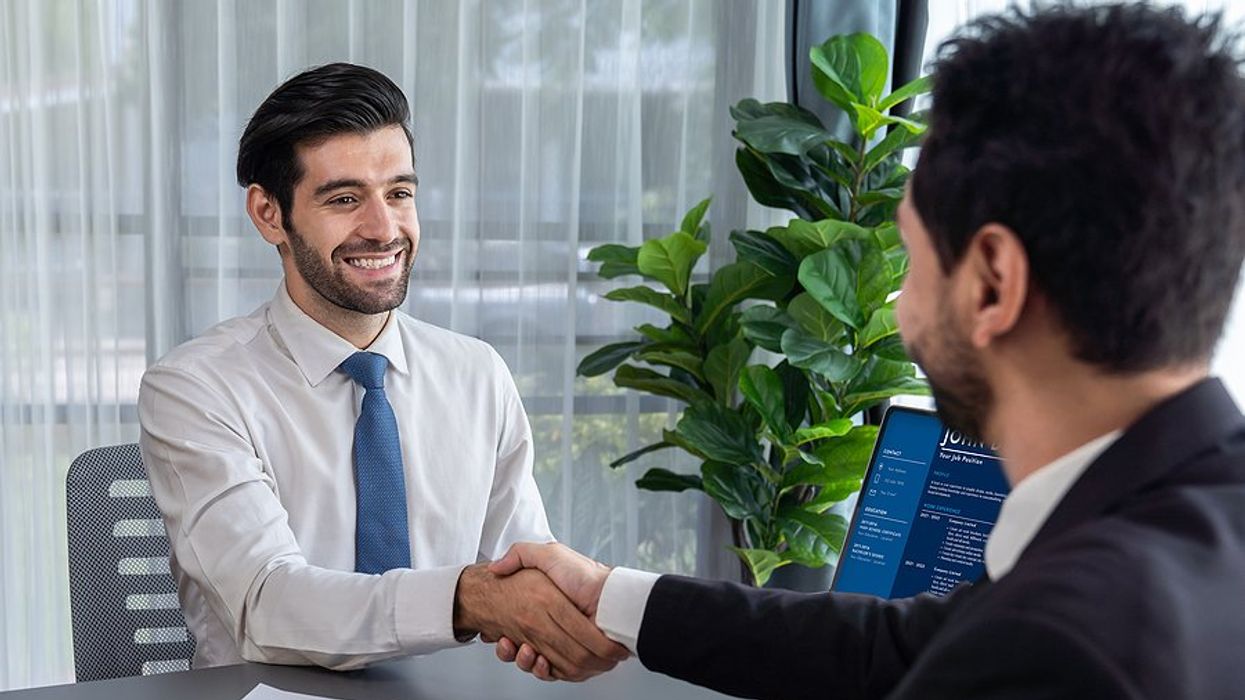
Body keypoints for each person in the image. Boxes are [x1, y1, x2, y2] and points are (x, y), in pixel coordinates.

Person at [486, 5, 1245, 697]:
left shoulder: (1054, 644)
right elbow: (903, 646)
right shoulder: (1187, 515)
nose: (898, 306)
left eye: (909, 260)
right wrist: (614, 596)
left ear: (991, 285)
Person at [138, 62, 626, 678]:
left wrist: (573, 616)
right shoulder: (195, 388)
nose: (384, 228)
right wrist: (467, 599)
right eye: (344, 199)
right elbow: (266, 603)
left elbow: (517, 569)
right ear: (269, 215)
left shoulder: (476, 373)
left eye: (399, 193)